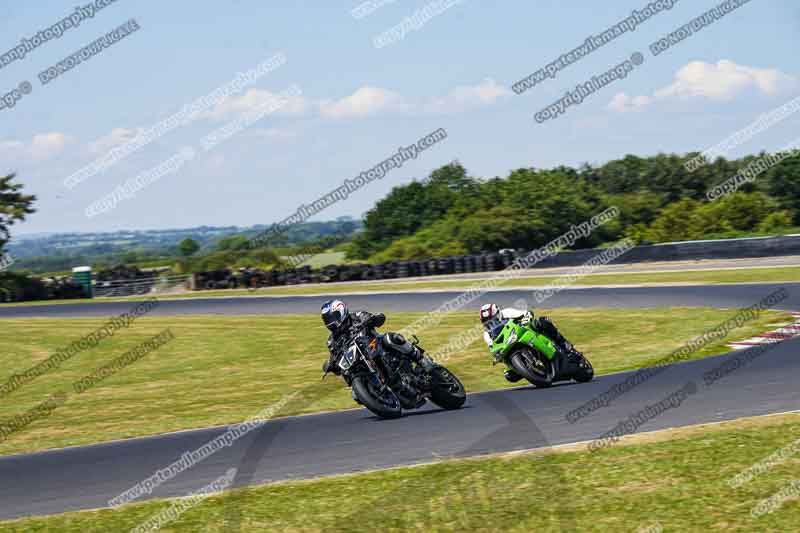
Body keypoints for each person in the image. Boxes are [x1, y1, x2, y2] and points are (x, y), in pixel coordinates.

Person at [320, 299, 430, 375]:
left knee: (391, 338)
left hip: (378, 346)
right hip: (362, 361)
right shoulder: (332, 341)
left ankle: (421, 359)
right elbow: (336, 359)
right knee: (355, 393)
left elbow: (378, 319)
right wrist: (331, 366)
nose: (331, 322)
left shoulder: (356, 316)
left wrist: (371, 319)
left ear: (341, 311)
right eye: (328, 320)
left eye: (333, 317)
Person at [479, 303, 579, 383]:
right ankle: (528, 370)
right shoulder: (487, 335)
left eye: (494, 320)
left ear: (499, 314)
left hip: (523, 332)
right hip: (508, 346)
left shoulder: (507, 312)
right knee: (509, 376)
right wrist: (497, 355)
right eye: (488, 323)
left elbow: (527, 313)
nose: (492, 324)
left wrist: (524, 321)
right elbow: (493, 348)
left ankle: (565, 345)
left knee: (542, 322)